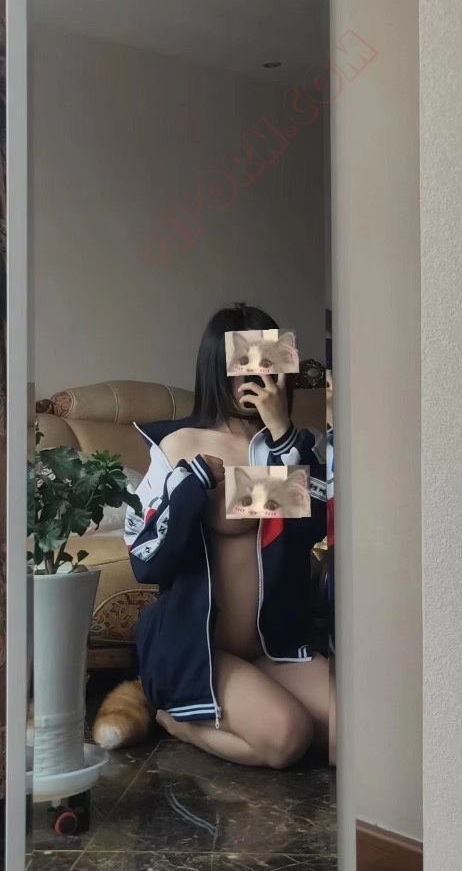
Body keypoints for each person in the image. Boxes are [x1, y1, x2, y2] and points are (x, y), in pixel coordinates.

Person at [98, 304, 335, 768]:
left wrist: (282, 432)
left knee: (353, 737)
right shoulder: (181, 445)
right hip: (199, 649)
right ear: (219, 367)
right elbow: (145, 555)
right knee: (287, 737)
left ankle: (241, 708)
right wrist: (196, 487)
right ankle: (177, 722)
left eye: (270, 360)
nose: (260, 375)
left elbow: (321, 520)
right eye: (246, 362)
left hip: (272, 647)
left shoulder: (293, 444)